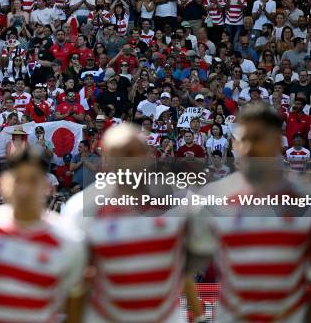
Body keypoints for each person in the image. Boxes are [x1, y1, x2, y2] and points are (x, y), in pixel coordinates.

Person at [188, 103, 311, 322]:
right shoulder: (211, 198)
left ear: (278, 142)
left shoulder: (309, 201)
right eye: (243, 140)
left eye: (259, 138)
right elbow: (184, 266)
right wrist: (200, 315)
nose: (250, 148)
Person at [63, 123, 206, 322]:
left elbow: (182, 266)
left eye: (136, 152)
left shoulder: (180, 201)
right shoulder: (82, 208)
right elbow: (76, 283)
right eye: (121, 153)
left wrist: (198, 315)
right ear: (107, 159)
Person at [0, 147, 87, 322]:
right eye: (18, 180)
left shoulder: (69, 239)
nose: (25, 190)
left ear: (47, 187)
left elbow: (75, 301)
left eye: (33, 181)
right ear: (3, 183)